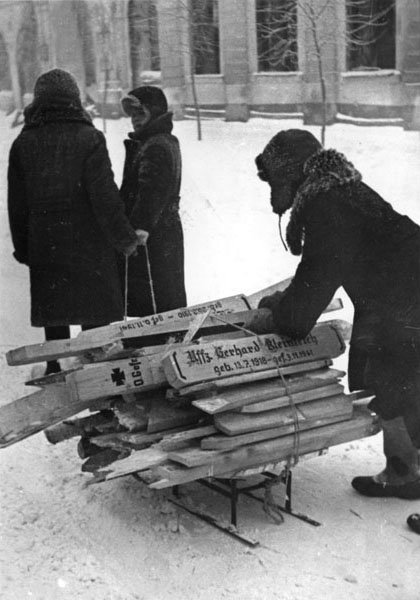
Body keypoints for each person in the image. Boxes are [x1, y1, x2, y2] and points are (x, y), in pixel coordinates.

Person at [253, 129, 420, 521]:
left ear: (293, 173)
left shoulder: (326, 206)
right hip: (397, 298)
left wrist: (280, 316)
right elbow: (319, 269)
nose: (277, 191)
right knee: (389, 380)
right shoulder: (339, 191)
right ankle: (405, 472)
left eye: (278, 180)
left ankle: (406, 472)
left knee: (395, 378)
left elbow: (314, 281)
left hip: (404, 303)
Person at [8, 69, 141, 375]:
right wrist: (125, 239)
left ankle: (55, 371)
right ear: (74, 100)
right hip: (89, 249)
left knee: (55, 318)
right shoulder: (89, 138)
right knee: (94, 322)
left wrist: (25, 249)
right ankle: (96, 379)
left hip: (47, 248)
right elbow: (105, 198)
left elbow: (18, 205)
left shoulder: (23, 143)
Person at [119, 85, 187, 317]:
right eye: (132, 115)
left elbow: (152, 191)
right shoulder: (163, 140)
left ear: (154, 112)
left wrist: (140, 227)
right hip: (164, 229)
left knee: (155, 300)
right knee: (166, 295)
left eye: (141, 113)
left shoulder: (155, 145)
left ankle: (154, 344)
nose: (134, 121)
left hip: (153, 234)